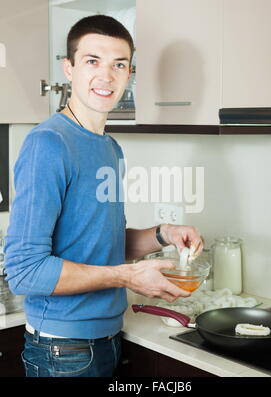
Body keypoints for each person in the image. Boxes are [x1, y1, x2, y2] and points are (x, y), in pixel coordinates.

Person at [4, 15, 203, 377]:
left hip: (106, 338)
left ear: (130, 74)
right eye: (92, 61)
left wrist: (163, 234)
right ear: (69, 68)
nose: (106, 76)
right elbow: (24, 272)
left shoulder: (110, 148)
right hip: (62, 350)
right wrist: (128, 278)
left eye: (119, 64)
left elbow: (99, 244)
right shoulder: (49, 144)